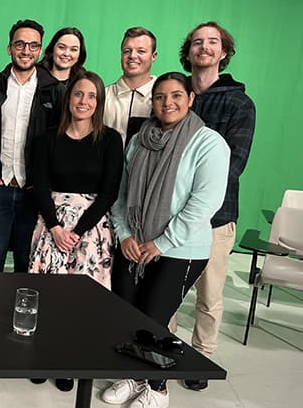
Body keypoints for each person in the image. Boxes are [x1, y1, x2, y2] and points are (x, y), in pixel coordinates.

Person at [102, 72, 229, 408]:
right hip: (135, 244)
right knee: (128, 315)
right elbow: (122, 194)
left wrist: (162, 243)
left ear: (190, 99)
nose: (167, 103)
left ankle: (158, 388)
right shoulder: (139, 140)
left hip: (181, 249)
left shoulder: (208, 143)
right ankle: (135, 377)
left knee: (155, 318)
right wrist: (125, 234)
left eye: (176, 96)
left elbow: (204, 202)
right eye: (160, 97)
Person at [173, 21, 255, 391]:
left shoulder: (239, 103)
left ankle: (200, 358)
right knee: (168, 292)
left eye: (212, 42)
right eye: (197, 42)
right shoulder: (175, 95)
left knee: (208, 297)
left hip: (217, 219)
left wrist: (193, 198)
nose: (203, 47)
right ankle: (163, 349)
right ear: (188, 52)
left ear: (223, 52)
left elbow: (234, 164)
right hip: (170, 215)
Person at [0, 19, 64, 273]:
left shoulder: (53, 90)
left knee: (26, 258)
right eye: (20, 44)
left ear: (40, 50)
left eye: (33, 45)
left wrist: (45, 180)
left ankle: (21, 301)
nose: (26, 51)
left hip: (33, 189)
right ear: (9, 48)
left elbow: (58, 140)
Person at [29, 71, 123, 289]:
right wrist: (55, 229)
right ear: (69, 97)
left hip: (92, 227)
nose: (83, 101)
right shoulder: (46, 139)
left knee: (86, 295)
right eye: (78, 94)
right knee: (49, 291)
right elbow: (40, 188)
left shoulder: (110, 140)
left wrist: (78, 231)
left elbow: (109, 193)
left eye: (91, 96)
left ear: (98, 102)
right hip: (52, 224)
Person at [104, 27, 158, 144]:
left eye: (141, 51)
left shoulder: (163, 98)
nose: (132, 56)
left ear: (153, 56)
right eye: (127, 51)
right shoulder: (103, 96)